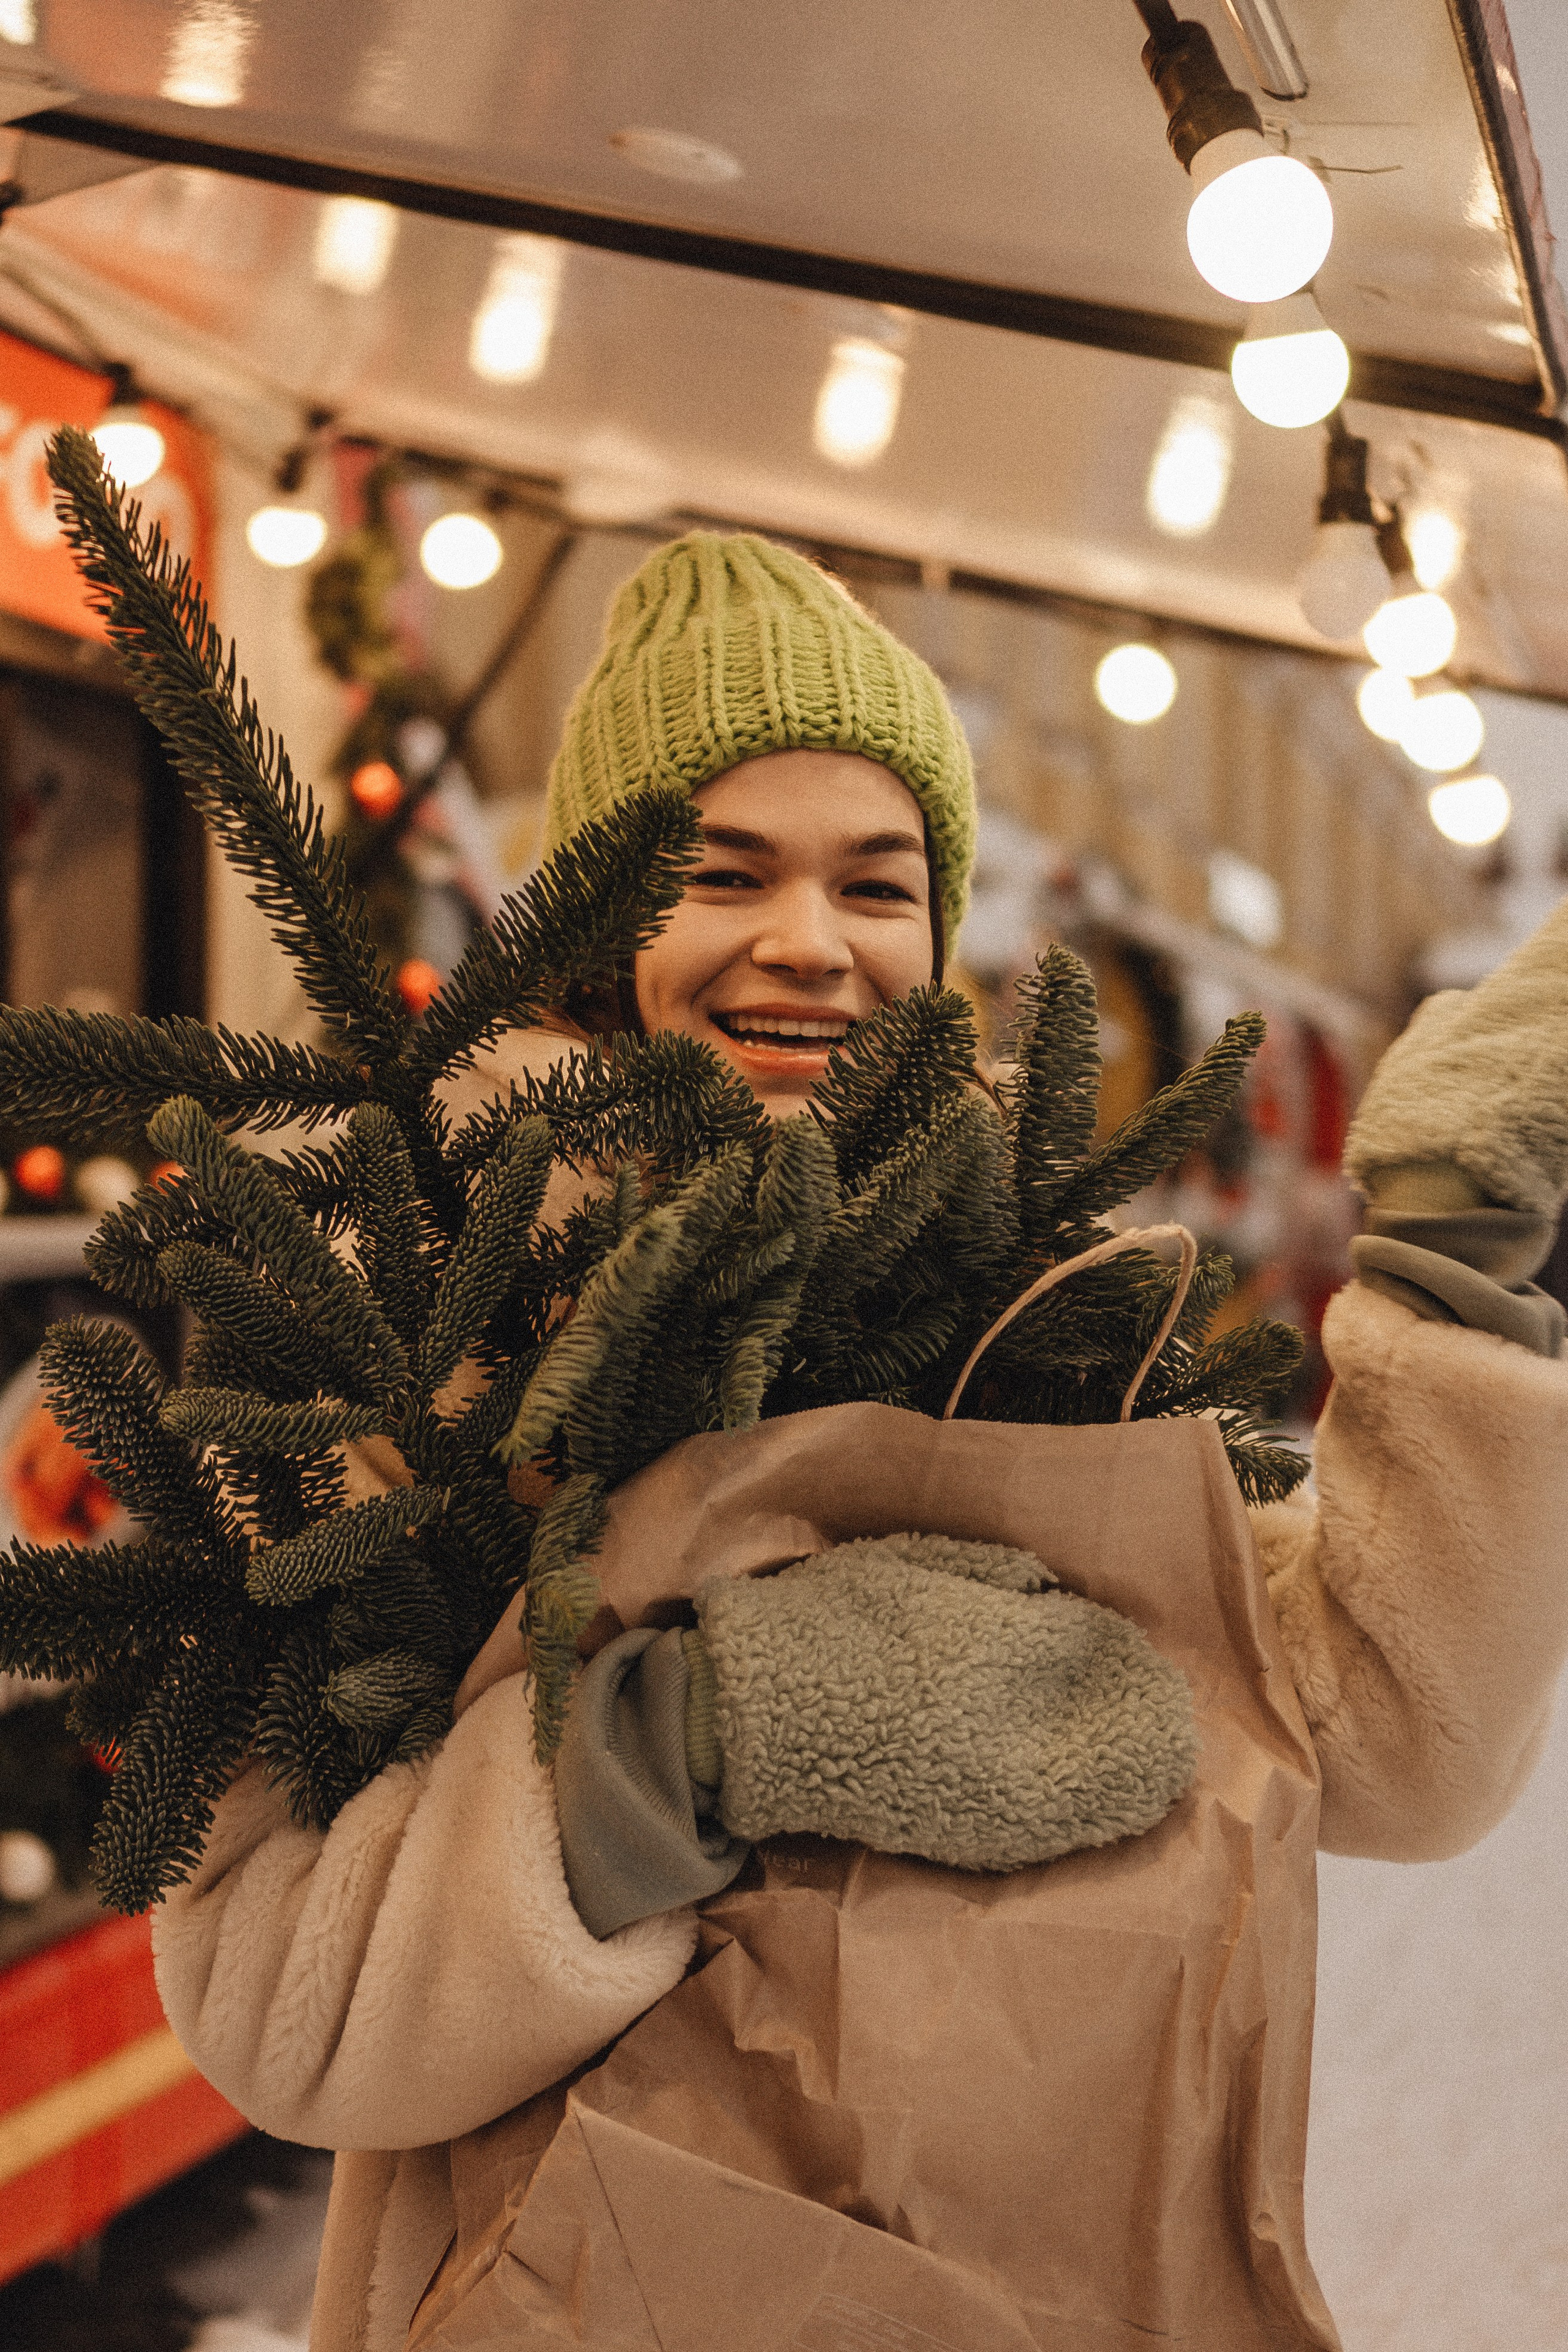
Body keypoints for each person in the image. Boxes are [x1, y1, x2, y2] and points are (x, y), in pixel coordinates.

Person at [153, 533, 1568, 2351]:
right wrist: (678, 1744)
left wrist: (1454, 1252)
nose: (810, 943)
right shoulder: (409, 1313)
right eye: (723, 873)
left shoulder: (1036, 1308)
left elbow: (1383, 1747)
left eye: (877, 885)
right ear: (595, 922)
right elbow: (274, 1999)